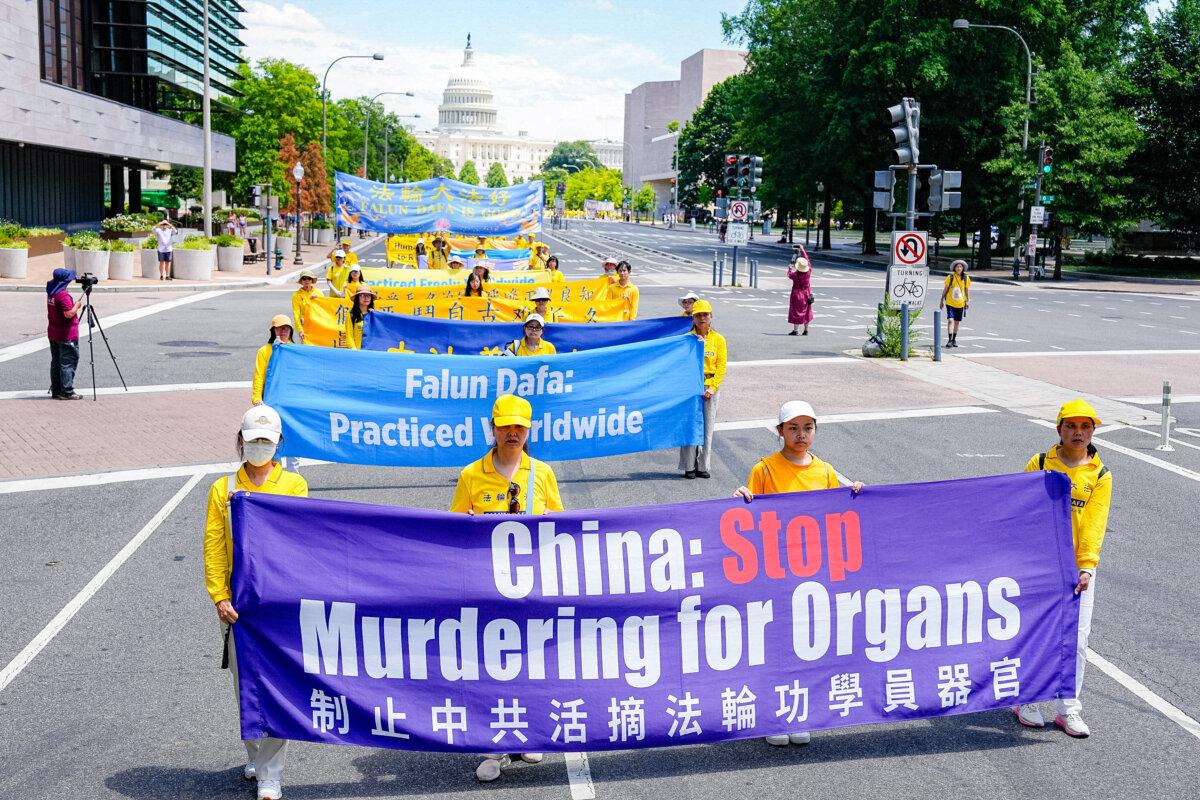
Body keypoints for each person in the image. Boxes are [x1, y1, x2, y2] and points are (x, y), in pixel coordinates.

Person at [733, 400, 863, 746]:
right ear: (779, 432)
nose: (801, 434)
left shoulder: (824, 470)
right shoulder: (765, 470)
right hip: (775, 573)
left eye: (808, 427)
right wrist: (741, 497)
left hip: (813, 574)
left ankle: (798, 711)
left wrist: (859, 493)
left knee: (806, 646)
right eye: (793, 428)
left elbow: (842, 500)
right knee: (775, 644)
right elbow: (748, 514)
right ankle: (774, 717)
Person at [450, 394, 562, 782]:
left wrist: (551, 521)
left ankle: (527, 735)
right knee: (492, 667)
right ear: (493, 428)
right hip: (487, 590)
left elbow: (563, 530)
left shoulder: (542, 473)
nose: (512, 433)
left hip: (533, 589)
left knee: (532, 665)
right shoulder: (470, 475)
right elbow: (451, 532)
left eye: (519, 427)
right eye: (505, 426)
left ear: (529, 430)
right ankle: (493, 746)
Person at [204, 405, 307, 800]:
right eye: (253, 441)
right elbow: (214, 547)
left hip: (279, 602)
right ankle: (257, 754)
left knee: (275, 686)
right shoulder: (222, 488)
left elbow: (301, 541)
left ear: (279, 443)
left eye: (267, 441)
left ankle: (271, 774)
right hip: (240, 605)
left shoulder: (294, 485)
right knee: (244, 687)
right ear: (241, 441)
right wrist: (219, 595)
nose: (260, 448)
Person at [1013, 399, 1112, 739]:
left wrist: (1085, 568)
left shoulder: (1100, 474)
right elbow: (1018, 511)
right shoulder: (1039, 463)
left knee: (1077, 638)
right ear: (1059, 430)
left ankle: (1068, 708)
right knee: (1034, 633)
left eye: (1085, 427)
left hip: (1077, 570)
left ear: (1092, 432)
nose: (1078, 432)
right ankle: (1028, 700)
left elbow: (1095, 526)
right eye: (1071, 426)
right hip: (1039, 567)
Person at [678, 299, 726, 479]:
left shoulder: (719, 339)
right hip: (691, 386)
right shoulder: (687, 339)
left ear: (711, 317)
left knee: (708, 427)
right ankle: (688, 466)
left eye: (705, 314)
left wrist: (712, 387)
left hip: (710, 386)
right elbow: (682, 364)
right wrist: (695, 345)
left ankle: (703, 465)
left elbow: (721, 366)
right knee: (690, 426)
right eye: (698, 315)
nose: (702, 318)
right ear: (693, 318)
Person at [46, 268, 82, 400]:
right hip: (66, 334)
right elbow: (68, 314)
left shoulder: (51, 292)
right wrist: (77, 305)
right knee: (68, 362)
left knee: (56, 362)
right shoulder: (63, 296)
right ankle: (67, 391)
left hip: (53, 332)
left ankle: (56, 390)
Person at [251, 314, 293, 406]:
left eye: (286, 328)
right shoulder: (264, 351)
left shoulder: (294, 350)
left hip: (289, 397)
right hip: (269, 396)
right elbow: (259, 376)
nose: (283, 331)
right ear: (273, 330)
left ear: (291, 331)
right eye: (279, 328)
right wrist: (257, 398)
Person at [938, 259, 971, 348]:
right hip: (950, 303)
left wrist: (967, 301)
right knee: (950, 320)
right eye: (957, 267)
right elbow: (945, 289)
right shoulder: (950, 277)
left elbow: (966, 290)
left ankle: (954, 339)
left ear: (963, 268)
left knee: (957, 322)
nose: (959, 268)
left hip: (960, 303)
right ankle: (949, 340)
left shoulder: (966, 278)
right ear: (954, 268)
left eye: (960, 267)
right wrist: (941, 300)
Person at [291, 270, 324, 345]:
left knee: (319, 346)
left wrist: (317, 299)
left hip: (318, 324)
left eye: (309, 278)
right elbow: (296, 313)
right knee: (307, 347)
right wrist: (300, 329)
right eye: (304, 278)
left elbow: (324, 309)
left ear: (312, 280)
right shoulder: (296, 295)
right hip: (305, 325)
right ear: (301, 281)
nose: (306, 280)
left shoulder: (319, 293)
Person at [787, 248, 814, 336]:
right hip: (806, 293)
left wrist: (790, 268)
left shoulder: (795, 275)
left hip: (797, 293)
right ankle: (806, 330)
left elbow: (789, 274)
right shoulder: (808, 272)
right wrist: (803, 250)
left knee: (796, 311)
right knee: (807, 311)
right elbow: (808, 260)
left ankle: (795, 330)